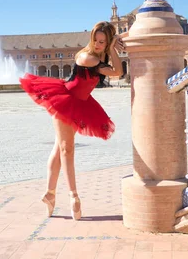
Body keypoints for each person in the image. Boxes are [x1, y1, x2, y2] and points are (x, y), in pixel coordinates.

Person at [19, 21, 124, 220]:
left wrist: (113, 47)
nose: (98, 43)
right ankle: (73, 196)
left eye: (102, 41)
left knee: (59, 148)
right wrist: (113, 45)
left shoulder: (100, 57)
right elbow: (115, 71)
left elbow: (118, 72)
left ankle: (49, 195)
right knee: (67, 148)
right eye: (95, 39)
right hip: (65, 101)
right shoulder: (87, 57)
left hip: (82, 104)